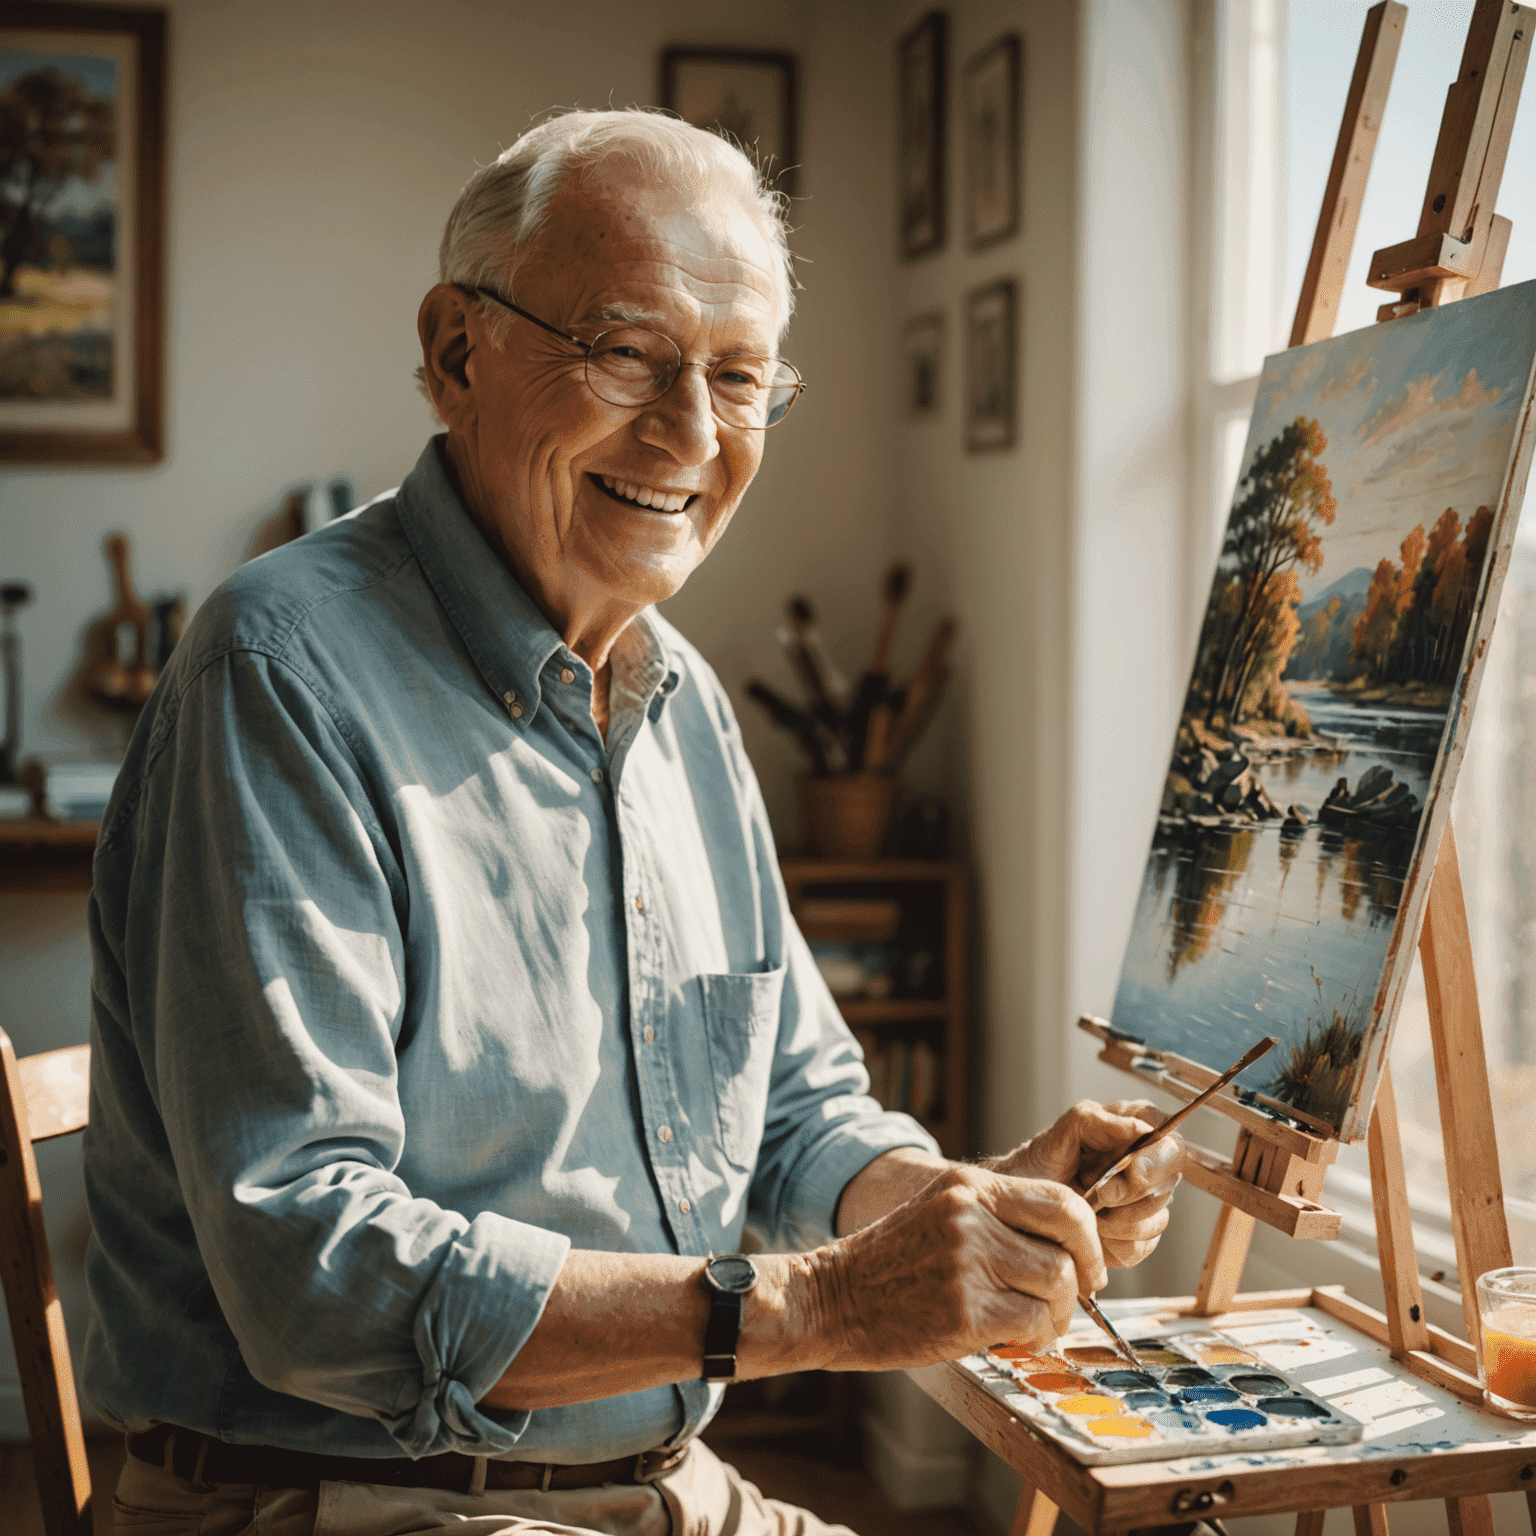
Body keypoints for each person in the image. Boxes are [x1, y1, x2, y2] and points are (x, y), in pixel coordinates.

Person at [83, 109, 1183, 1536]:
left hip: (652, 1492)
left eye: (737, 378)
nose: (692, 435)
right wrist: (823, 1307)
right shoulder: (277, 672)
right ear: (456, 349)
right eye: (626, 356)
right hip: (353, 1502)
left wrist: (944, 1208)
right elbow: (314, 1272)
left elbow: (795, 1115)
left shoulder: (684, 706)